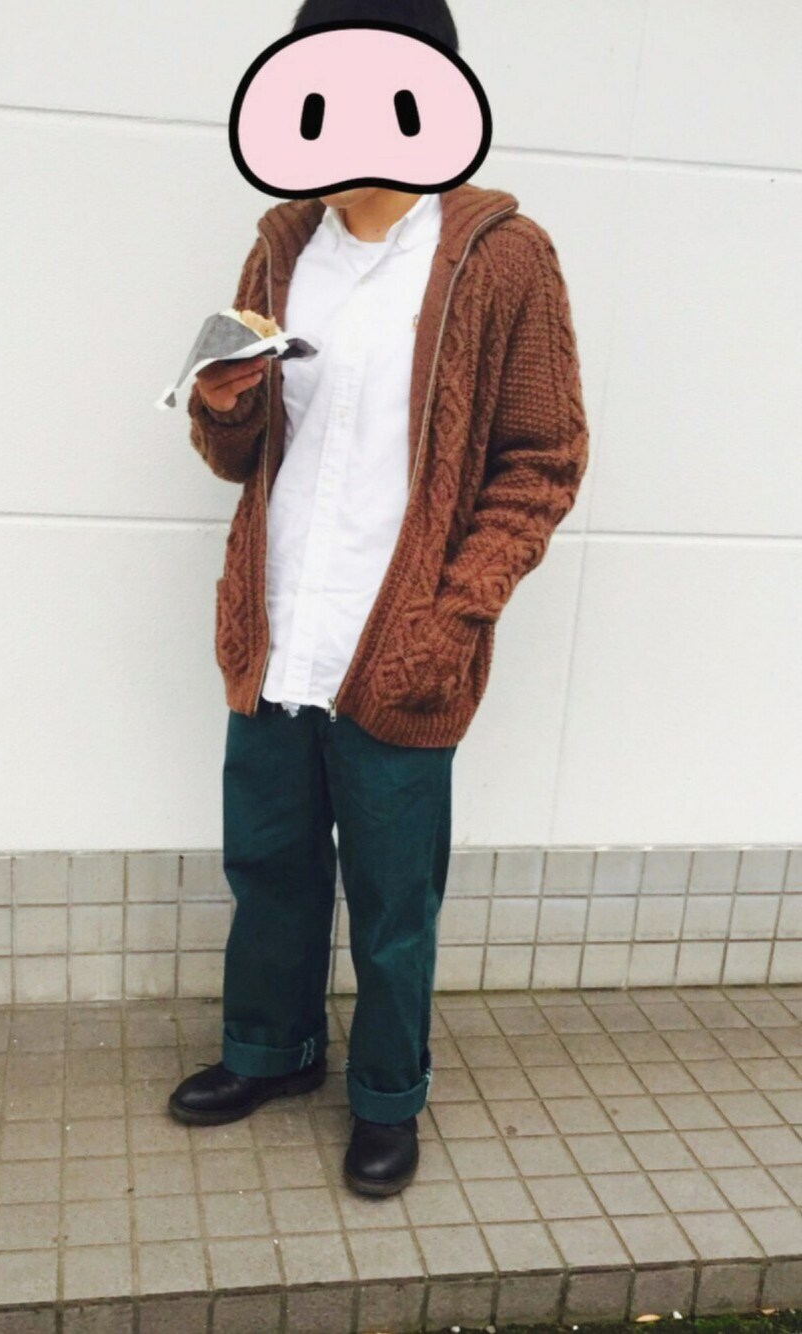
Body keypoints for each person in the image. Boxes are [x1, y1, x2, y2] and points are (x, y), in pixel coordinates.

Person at [168, 0, 589, 1197]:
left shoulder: (500, 255)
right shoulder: (281, 246)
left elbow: (543, 458)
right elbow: (237, 451)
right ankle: (270, 1050)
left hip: (401, 642)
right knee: (268, 861)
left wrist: (453, 613)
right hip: (278, 625)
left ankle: (387, 1094)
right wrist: (223, 403)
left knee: (394, 895)